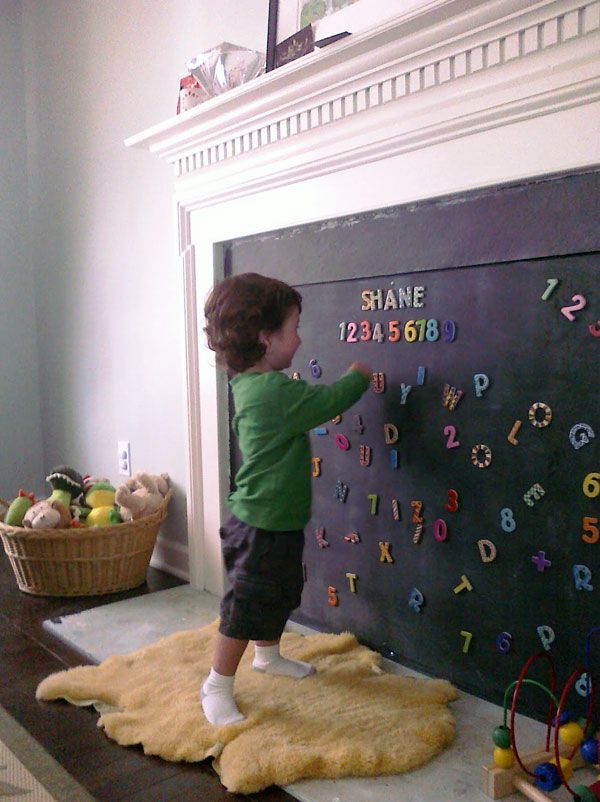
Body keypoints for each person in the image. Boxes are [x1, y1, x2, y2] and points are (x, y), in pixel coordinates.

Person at [201, 272, 371, 726]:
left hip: (274, 521)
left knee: (277, 593)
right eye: (293, 329)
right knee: (245, 605)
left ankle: (268, 655)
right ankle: (216, 684)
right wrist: (359, 377)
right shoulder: (274, 392)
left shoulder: (251, 386)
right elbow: (329, 400)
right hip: (259, 524)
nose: (299, 339)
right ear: (265, 338)